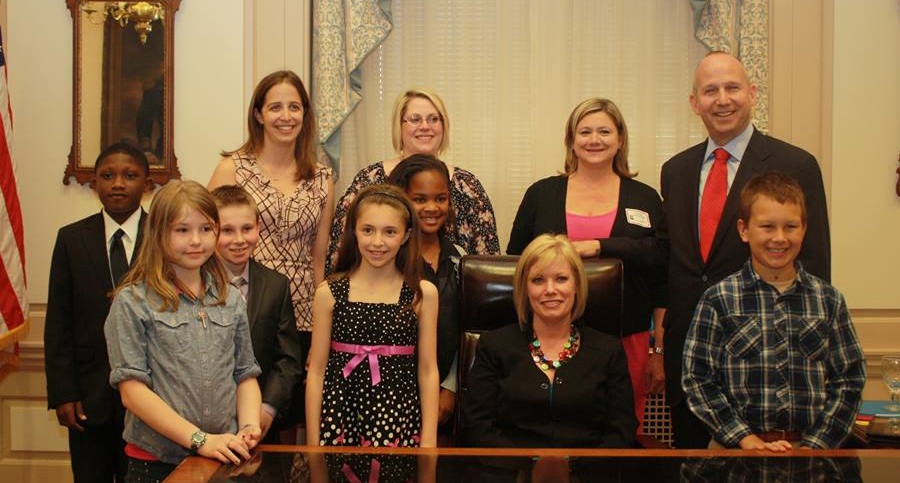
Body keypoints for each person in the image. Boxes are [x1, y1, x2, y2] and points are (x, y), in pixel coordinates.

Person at [659, 51, 831, 448]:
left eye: (732, 87)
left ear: (752, 93)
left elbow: (816, 263)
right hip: (689, 353)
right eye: (710, 90)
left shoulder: (796, 164)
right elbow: (675, 262)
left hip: (767, 362)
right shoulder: (676, 170)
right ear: (694, 103)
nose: (722, 99)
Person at [507, 98, 666, 432]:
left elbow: (659, 266)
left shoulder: (645, 197)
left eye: (605, 131)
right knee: (552, 427)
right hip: (551, 337)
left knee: (619, 430)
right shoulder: (542, 194)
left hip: (628, 337)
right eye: (585, 132)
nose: (595, 139)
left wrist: (659, 350)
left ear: (620, 139)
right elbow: (517, 264)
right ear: (571, 140)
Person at [682, 172, 865, 450]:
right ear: (744, 230)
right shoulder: (718, 299)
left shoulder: (828, 300)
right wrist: (745, 439)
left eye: (790, 227)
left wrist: (815, 445)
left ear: (804, 228)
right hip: (735, 449)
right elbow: (698, 378)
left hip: (810, 450)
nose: (779, 238)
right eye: (767, 227)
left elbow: (849, 380)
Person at [104, 180, 262, 482]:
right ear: (159, 233)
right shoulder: (133, 301)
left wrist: (248, 427)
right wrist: (201, 440)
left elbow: (245, 374)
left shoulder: (228, 298)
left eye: (205, 229)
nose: (196, 241)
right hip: (157, 463)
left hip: (224, 457)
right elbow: (133, 392)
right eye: (182, 230)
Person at [462, 234, 636, 448]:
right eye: (538, 280)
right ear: (525, 289)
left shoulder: (609, 351)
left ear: (577, 286)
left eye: (561, 279)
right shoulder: (494, 346)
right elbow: (478, 428)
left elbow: (622, 431)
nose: (550, 290)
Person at [45, 142, 151, 483]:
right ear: (95, 184)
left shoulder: (164, 237)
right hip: (89, 398)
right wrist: (64, 393)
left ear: (146, 183)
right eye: (107, 176)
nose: (118, 183)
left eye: (129, 175)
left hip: (152, 399)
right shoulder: (71, 239)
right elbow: (59, 322)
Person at [208, 70, 334, 350]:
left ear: (305, 114)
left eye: (294, 107)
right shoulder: (232, 169)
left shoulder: (322, 178)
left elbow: (319, 257)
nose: (286, 117)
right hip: (241, 308)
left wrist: (322, 324)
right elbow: (207, 242)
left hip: (302, 315)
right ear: (258, 115)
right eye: (275, 107)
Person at [306, 185, 439, 448]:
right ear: (354, 232)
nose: (377, 242)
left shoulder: (422, 294)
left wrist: (429, 442)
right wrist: (312, 442)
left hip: (398, 416)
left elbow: (427, 371)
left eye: (389, 232)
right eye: (368, 230)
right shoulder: (329, 293)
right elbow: (317, 372)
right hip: (340, 417)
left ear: (406, 235)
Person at [327, 88, 500, 273]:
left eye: (434, 119)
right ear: (399, 127)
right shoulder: (369, 181)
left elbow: (488, 263)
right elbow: (341, 249)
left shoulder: (467, 186)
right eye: (415, 119)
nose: (425, 126)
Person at [210, 185, 306, 444]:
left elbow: (287, 358)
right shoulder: (195, 284)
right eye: (227, 230)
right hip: (205, 421)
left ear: (259, 228)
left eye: (247, 229)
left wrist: (267, 408)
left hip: (258, 424)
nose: (239, 239)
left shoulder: (276, 285)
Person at [386, 154, 463, 430]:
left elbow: (465, 333)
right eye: (420, 199)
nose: (432, 207)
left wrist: (450, 387)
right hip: (391, 396)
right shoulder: (387, 260)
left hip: (445, 395)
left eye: (440, 198)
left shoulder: (459, 261)